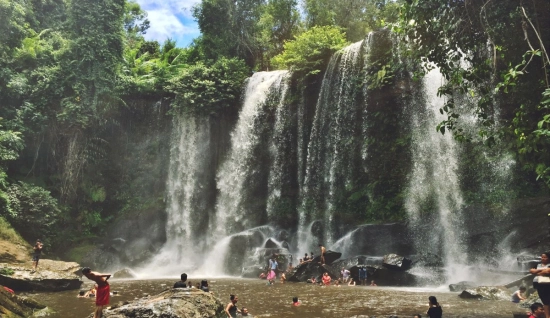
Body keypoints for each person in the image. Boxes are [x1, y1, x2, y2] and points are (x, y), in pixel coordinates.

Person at [530, 251, 550, 318]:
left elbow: (547, 271)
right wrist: (541, 271)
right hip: (539, 284)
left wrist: (537, 271)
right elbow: (531, 271)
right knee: (544, 300)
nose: (543, 258)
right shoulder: (537, 264)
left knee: (547, 300)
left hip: (547, 284)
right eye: (542, 257)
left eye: (545, 257)